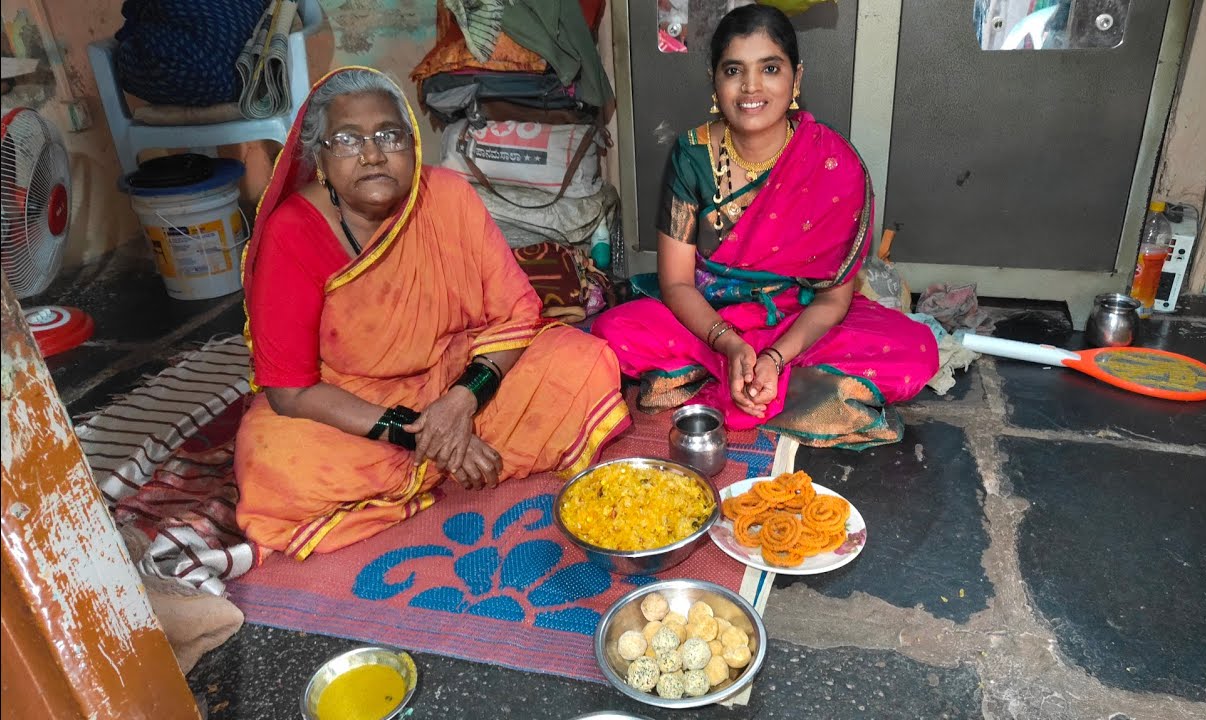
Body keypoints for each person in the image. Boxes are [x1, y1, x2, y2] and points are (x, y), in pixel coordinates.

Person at [235, 67, 629, 559]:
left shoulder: (447, 196)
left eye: (388, 135)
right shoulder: (293, 232)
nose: (373, 154)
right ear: (320, 159)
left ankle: (440, 454)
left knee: (582, 364)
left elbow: (517, 312)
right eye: (348, 140)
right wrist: (419, 432)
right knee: (272, 463)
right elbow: (290, 390)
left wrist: (463, 401)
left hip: (456, 375)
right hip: (350, 404)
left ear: (413, 144)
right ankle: (445, 457)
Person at [592, 5, 937, 449]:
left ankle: (758, 377)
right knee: (612, 332)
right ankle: (780, 383)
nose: (751, 87)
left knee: (916, 350)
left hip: (795, 320)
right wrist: (731, 345)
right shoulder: (692, 155)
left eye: (770, 68)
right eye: (734, 69)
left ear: (796, 80)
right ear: (715, 83)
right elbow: (676, 283)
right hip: (709, 317)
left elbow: (833, 300)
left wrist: (774, 355)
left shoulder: (834, 165)